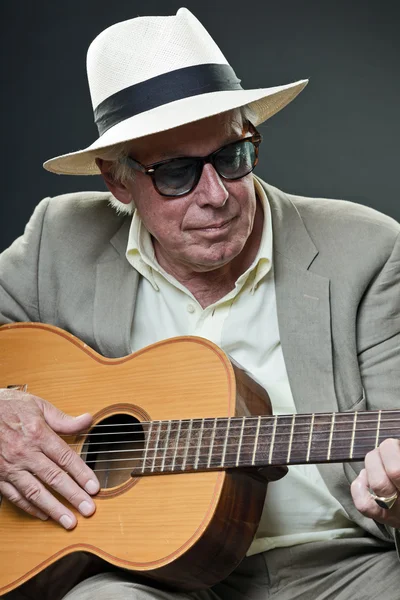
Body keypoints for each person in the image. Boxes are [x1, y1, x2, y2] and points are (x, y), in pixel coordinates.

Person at [1, 7, 399, 600]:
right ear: (117, 181)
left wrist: (394, 497)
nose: (215, 196)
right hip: (144, 577)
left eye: (232, 158)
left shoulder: (367, 251)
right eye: (178, 173)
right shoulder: (57, 240)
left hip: (347, 568)